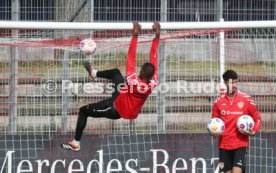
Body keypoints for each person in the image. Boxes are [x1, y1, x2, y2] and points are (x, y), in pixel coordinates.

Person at [61, 22, 160, 152]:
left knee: (83, 111)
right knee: (116, 73)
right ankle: (93, 73)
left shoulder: (132, 80)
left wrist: (135, 36)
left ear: (141, 72)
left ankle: (76, 143)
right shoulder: (153, 83)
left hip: (115, 109)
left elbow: (131, 57)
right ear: (152, 75)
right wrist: (157, 36)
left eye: (140, 69)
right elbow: (154, 60)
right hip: (122, 95)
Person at [211, 70, 262, 173]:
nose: (234, 85)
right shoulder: (218, 102)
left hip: (240, 144)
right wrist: (214, 132)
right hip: (224, 145)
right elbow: (214, 123)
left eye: (235, 82)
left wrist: (254, 130)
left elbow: (258, 119)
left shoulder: (246, 99)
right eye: (231, 82)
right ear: (225, 83)